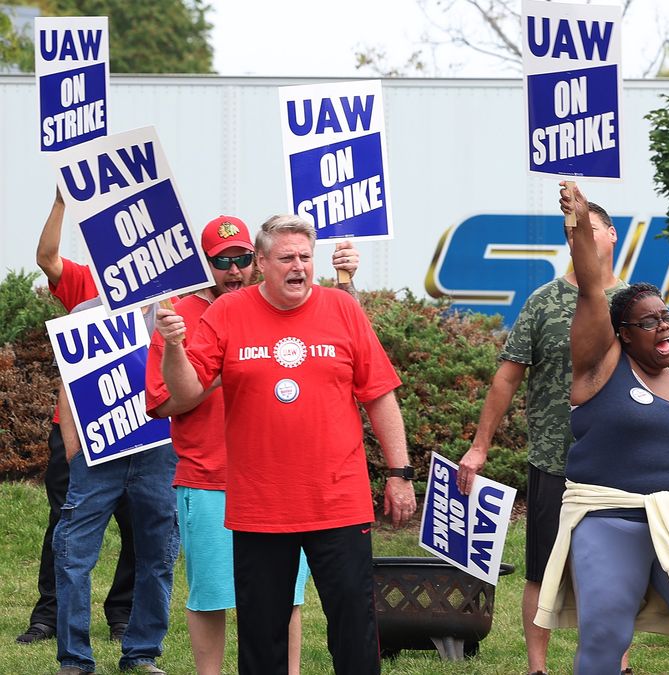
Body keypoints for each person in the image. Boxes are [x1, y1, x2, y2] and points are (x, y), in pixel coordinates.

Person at [156, 214, 417, 675]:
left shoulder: (341, 309)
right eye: (286, 258)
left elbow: (378, 393)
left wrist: (400, 474)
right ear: (261, 263)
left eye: (305, 257)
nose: (298, 266)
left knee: (355, 629)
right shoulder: (227, 313)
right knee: (262, 637)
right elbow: (185, 394)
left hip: (338, 502)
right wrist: (174, 346)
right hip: (261, 508)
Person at [535, 182, 669, 675]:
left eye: (668, 317)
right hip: (611, 522)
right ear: (623, 334)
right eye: (649, 321)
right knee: (606, 636)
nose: (664, 327)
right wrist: (579, 222)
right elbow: (591, 286)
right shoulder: (600, 369)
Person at [456, 202, 629, 675]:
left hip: (619, 462)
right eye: (574, 231)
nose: (583, 239)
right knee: (542, 569)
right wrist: (479, 446)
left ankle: (618, 664)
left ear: (612, 235)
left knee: (618, 572)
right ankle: (537, 668)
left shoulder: (636, 302)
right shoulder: (544, 301)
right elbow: (506, 380)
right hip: (554, 459)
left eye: (591, 230)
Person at [19, 189, 135, 648]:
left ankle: (123, 615)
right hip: (76, 430)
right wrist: (61, 203)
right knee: (63, 523)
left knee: (137, 530)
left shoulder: (164, 296)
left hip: (138, 429)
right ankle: (49, 616)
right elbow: (47, 257)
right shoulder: (86, 284)